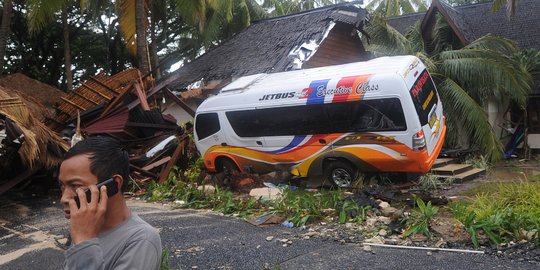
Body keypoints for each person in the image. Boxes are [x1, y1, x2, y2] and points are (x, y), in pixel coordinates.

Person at [58, 136, 162, 269]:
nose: (64, 198)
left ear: (113, 185)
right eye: (62, 187)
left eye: (76, 185)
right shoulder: (86, 227)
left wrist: (84, 243)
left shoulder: (142, 240)